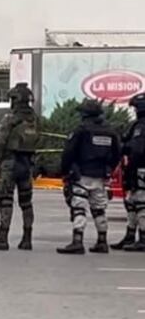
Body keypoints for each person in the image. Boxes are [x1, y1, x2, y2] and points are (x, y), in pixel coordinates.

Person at [57, 99, 121, 254]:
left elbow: (69, 153)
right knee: (99, 209)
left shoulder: (81, 130)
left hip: (82, 175)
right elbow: (117, 154)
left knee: (79, 207)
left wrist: (66, 170)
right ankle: (102, 241)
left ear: (85, 115)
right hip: (100, 176)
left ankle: (77, 241)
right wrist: (108, 169)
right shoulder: (110, 132)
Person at [0, 83, 40, 251]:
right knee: (26, 202)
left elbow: (0, 143)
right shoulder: (34, 119)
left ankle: (3, 237)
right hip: (27, 163)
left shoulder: (10, 119)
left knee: (5, 199)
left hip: (10, 163)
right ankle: (27, 238)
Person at [115, 92, 145, 251]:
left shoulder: (142, 126)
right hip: (135, 169)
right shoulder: (137, 125)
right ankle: (130, 235)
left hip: (141, 168)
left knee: (141, 203)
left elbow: (137, 148)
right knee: (131, 202)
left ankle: (143, 238)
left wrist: (125, 149)